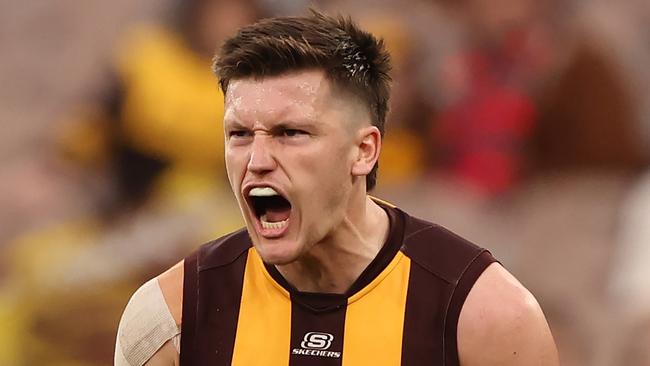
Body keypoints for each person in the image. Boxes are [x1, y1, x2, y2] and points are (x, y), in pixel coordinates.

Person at [114, 10, 559, 366]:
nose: (258, 160)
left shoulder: (487, 315)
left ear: (364, 151)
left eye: (291, 133)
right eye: (239, 135)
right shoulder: (170, 319)